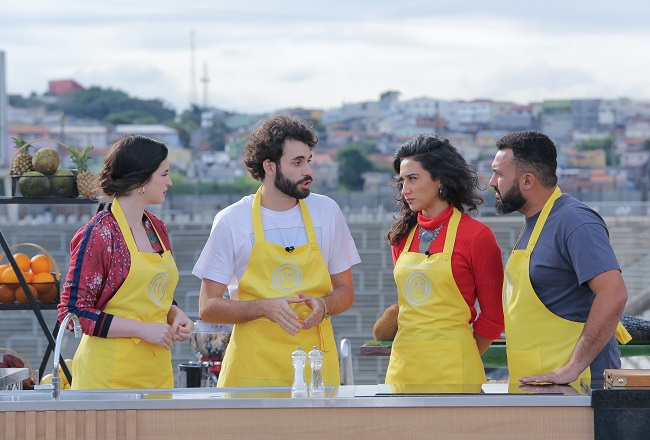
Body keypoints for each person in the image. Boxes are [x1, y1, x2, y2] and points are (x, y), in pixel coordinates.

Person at [193, 114, 361, 388]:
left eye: (309, 160)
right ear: (269, 166)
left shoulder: (328, 212)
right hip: (250, 374)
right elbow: (208, 307)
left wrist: (324, 305)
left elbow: (346, 291)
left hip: (316, 373)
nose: (308, 171)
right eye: (297, 162)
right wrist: (262, 308)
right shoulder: (231, 220)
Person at [489, 130, 631, 386]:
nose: (491, 182)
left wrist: (572, 368)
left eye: (499, 174)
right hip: (540, 391)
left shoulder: (575, 221)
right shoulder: (533, 223)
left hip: (579, 394)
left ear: (527, 181)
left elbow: (614, 294)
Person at [57, 135, 194, 389]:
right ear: (141, 180)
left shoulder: (157, 229)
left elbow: (152, 293)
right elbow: (73, 312)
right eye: (164, 174)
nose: (170, 182)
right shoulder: (99, 234)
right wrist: (143, 329)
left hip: (156, 373)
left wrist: (175, 314)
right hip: (106, 378)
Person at [383, 134, 505, 385]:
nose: (405, 189)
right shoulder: (401, 236)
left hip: (457, 375)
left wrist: (462, 354)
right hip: (402, 373)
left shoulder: (477, 237)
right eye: (402, 181)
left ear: (440, 179)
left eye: (413, 179)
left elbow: (494, 317)